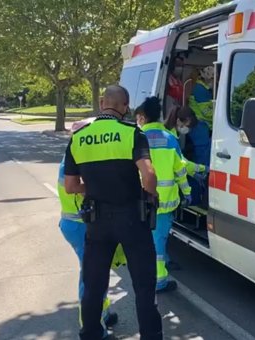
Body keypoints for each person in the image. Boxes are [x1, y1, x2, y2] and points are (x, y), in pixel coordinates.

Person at [64, 85, 162, 340]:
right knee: (143, 285)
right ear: (125, 107)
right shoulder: (131, 133)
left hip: (97, 221)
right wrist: (150, 196)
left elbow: (71, 185)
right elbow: (149, 174)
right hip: (131, 218)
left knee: (94, 286)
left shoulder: (79, 137)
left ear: (102, 103)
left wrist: (96, 188)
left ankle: (91, 333)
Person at [57, 118, 125, 328]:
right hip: (80, 225)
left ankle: (102, 314)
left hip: (75, 223)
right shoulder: (77, 161)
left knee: (98, 272)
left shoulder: (71, 158)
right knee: (91, 276)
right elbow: (74, 187)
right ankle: (91, 324)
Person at [135, 97, 191, 290]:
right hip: (165, 202)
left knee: (143, 239)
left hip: (140, 200)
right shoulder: (170, 139)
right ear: (159, 115)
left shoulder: (136, 137)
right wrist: (187, 192)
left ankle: (143, 275)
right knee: (158, 242)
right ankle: (159, 281)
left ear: (143, 117)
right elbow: (180, 169)